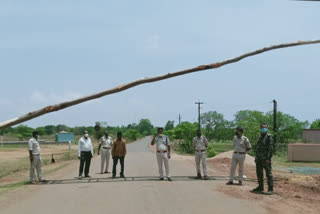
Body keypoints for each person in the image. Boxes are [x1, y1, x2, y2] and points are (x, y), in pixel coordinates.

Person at [251, 123, 274, 195]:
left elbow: (270, 149)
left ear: (267, 128)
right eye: (263, 127)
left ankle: (270, 189)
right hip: (259, 159)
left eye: (265, 127)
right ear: (260, 128)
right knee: (259, 173)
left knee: (268, 174)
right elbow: (257, 148)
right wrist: (256, 157)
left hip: (266, 159)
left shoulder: (269, 137)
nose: (264, 129)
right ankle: (260, 187)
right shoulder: (259, 136)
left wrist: (268, 158)